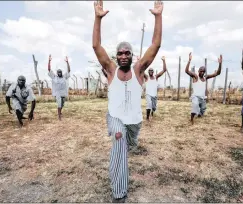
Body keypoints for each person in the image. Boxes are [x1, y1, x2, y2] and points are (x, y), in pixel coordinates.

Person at [92, 0, 163, 202]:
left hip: (134, 122)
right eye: (120, 53)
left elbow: (155, 45)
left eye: (127, 53)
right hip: (115, 119)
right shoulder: (111, 69)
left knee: (128, 143)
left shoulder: (138, 70)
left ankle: (126, 146)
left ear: (132, 56)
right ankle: (119, 193)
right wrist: (97, 19)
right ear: (116, 56)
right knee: (118, 139)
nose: (123, 55)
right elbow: (96, 46)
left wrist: (158, 16)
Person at [185, 52, 222, 125]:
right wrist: (189, 61)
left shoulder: (205, 77)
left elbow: (217, 73)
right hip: (195, 96)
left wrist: (220, 64)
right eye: (201, 71)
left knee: (203, 109)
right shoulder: (195, 77)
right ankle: (192, 119)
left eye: (203, 71)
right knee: (195, 106)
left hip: (202, 97)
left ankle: (200, 114)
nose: (202, 72)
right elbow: (186, 71)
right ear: (198, 71)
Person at [48, 55, 71, 120]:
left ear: (61, 72)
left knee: (62, 104)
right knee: (59, 104)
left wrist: (67, 62)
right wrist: (49, 61)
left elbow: (69, 71)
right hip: (57, 93)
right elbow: (49, 69)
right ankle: (59, 116)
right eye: (58, 72)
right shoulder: (54, 77)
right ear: (57, 73)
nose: (59, 73)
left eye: (60, 72)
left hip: (63, 93)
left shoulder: (64, 77)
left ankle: (60, 112)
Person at [144, 56, 167, 121]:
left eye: (152, 70)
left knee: (153, 108)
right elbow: (141, 70)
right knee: (149, 105)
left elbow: (164, 70)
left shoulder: (156, 77)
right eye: (149, 70)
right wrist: (139, 60)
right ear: (148, 72)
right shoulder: (146, 77)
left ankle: (152, 111)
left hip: (154, 95)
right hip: (148, 94)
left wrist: (163, 60)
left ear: (153, 72)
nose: (150, 71)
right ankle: (147, 118)